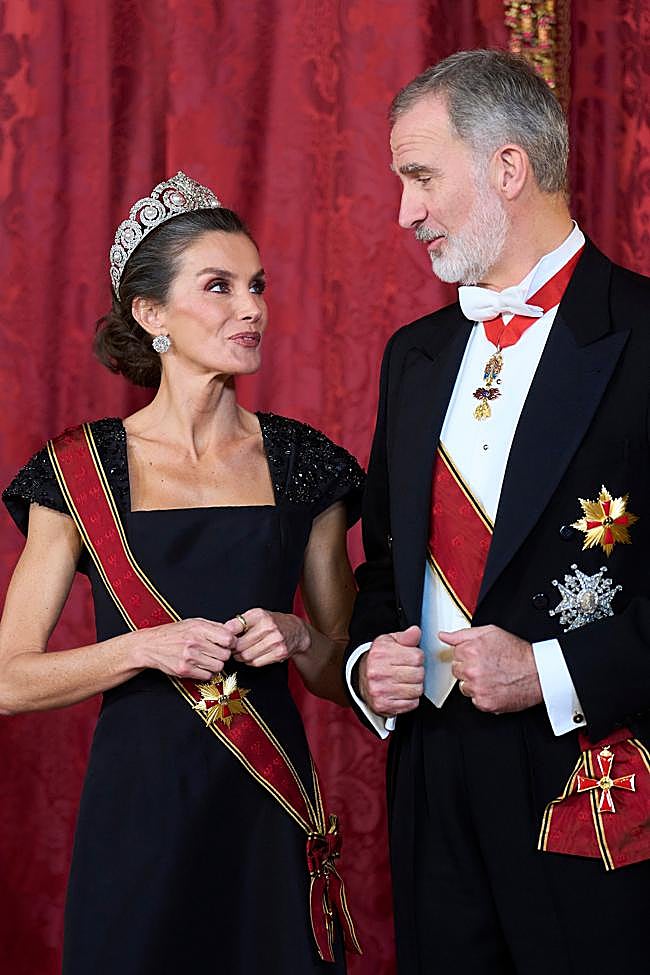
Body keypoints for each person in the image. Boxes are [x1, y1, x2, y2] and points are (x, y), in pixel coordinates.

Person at [0, 172, 364, 974]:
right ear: (151, 314)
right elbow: (7, 679)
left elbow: (345, 673)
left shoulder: (305, 464)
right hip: (139, 819)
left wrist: (302, 636)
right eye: (219, 286)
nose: (252, 308)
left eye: (257, 286)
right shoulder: (78, 471)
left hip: (267, 809)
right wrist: (142, 648)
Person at [345, 50, 650, 974]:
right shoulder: (414, 355)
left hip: (593, 770)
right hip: (431, 779)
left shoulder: (643, 333)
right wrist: (368, 663)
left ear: (507, 167)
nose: (406, 211)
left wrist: (551, 672)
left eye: (421, 175)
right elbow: (384, 566)